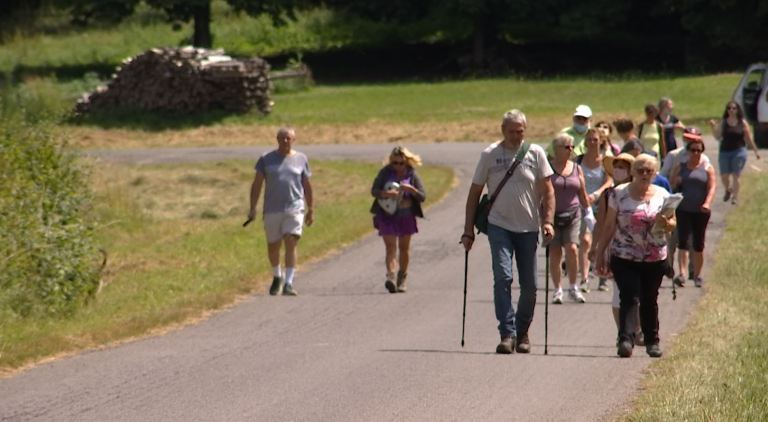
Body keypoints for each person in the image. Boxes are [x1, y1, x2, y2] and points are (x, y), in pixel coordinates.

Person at [461, 109, 555, 355]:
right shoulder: (490, 154)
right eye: (511, 131)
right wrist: (467, 230)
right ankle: (507, 332)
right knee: (503, 278)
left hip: (529, 227)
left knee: (530, 285)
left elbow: (548, 191)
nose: (516, 135)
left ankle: (523, 331)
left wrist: (548, 221)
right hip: (499, 225)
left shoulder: (535, 153)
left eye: (520, 131)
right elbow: (474, 193)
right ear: (502, 130)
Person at [595, 154, 676, 358]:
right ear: (632, 172)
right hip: (624, 255)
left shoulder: (663, 195)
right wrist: (599, 253)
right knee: (628, 296)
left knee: (649, 299)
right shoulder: (619, 193)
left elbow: (672, 223)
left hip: (654, 257)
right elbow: (609, 224)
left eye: (649, 171)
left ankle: (652, 341)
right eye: (640, 170)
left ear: (655, 173)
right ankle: (625, 339)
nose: (645, 174)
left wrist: (665, 222)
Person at [248, 127, 314, 296]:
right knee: (273, 246)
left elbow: (307, 185)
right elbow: (257, 184)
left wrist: (310, 208)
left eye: (289, 138)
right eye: (282, 138)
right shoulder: (266, 159)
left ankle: (289, 282)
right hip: (272, 209)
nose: (285, 141)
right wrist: (252, 208)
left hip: (294, 207)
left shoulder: (301, 159)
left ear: (294, 140)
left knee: (290, 240)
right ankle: (277, 275)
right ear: (277, 139)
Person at [588, 153, 643, 344]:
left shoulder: (640, 192)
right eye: (616, 166)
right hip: (615, 247)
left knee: (638, 291)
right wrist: (596, 247)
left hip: (638, 247)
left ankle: (636, 328)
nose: (619, 170)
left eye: (623, 167)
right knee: (619, 292)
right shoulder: (608, 194)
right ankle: (624, 333)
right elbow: (601, 223)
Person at [370, 147, 427, 293]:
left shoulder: (412, 174)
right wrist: (386, 193)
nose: (397, 166)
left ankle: (402, 277)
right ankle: (391, 277)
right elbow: (374, 191)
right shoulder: (385, 172)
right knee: (390, 248)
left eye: (401, 163)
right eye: (394, 163)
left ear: (406, 162)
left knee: (404, 248)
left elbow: (422, 196)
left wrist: (411, 190)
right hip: (387, 215)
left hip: (406, 215)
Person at [660, 126, 711, 283]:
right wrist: (674, 184)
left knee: (696, 242)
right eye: (689, 139)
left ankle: (693, 272)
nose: (694, 149)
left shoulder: (705, 161)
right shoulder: (674, 156)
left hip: (698, 207)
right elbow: (664, 179)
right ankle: (672, 269)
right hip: (679, 206)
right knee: (676, 240)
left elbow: (709, 183)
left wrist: (707, 202)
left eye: (696, 141)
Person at [669, 132, 716, 288]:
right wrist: (677, 181)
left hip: (700, 211)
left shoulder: (707, 168)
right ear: (687, 152)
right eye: (693, 150)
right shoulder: (680, 167)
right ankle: (682, 273)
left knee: (698, 243)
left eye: (699, 150)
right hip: (683, 209)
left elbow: (711, 187)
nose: (696, 153)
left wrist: (707, 203)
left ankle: (697, 274)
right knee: (683, 241)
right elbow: (672, 185)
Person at [549, 133, 591, 304]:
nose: (570, 150)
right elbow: (540, 192)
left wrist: (588, 212)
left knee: (572, 248)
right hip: (552, 216)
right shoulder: (547, 168)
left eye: (572, 147)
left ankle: (573, 287)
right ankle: (557, 289)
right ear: (556, 149)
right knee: (555, 251)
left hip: (573, 214)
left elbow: (582, 192)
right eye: (566, 147)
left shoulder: (576, 168)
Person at [577, 129, 612, 292]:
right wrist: (584, 196)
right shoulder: (579, 160)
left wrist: (597, 194)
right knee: (584, 240)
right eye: (589, 139)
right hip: (583, 204)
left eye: (595, 139)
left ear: (601, 141)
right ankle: (584, 277)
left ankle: (602, 276)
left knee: (601, 241)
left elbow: (609, 181)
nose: (592, 142)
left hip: (602, 205)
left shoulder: (605, 160)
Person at [709, 101, 761, 205]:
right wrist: (712, 127)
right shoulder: (723, 122)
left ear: (738, 110)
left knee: (736, 175)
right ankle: (728, 189)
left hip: (738, 151)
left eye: (733, 108)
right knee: (724, 176)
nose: (731, 110)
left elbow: (748, 138)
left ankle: (735, 197)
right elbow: (717, 136)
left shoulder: (742, 122)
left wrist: (755, 151)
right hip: (724, 151)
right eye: (729, 108)